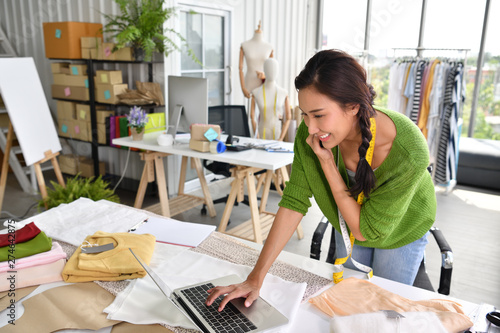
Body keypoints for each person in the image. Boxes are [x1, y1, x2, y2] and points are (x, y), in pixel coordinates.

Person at [206, 49, 436, 312]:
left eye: (318, 115)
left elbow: (365, 230)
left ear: (353, 106)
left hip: (400, 232)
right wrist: (255, 278)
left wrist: (327, 164)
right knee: (350, 306)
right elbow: (293, 202)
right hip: (349, 224)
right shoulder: (313, 133)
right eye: (304, 114)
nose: (309, 127)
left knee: (386, 314)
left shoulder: (408, 150)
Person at [250, 58, 291, 141]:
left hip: (277, 135)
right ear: (265, 70)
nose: (272, 72)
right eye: (269, 69)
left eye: (274, 69)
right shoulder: (256, 93)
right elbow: (252, 116)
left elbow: (288, 117)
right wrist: (256, 135)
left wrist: (281, 138)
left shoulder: (283, 93)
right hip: (261, 135)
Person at [239, 22, 274, 98]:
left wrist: (264, 75)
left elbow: (272, 69)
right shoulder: (244, 45)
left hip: (264, 84)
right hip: (249, 84)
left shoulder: (269, 47)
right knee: (250, 107)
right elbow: (240, 68)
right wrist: (243, 88)